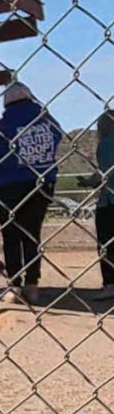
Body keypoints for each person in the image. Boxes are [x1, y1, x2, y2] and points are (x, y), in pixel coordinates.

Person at [0, 81, 63, 304]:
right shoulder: (46, 121)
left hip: (11, 185)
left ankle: (14, 285)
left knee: (11, 234)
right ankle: (32, 283)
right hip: (42, 184)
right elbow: (59, 136)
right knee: (32, 233)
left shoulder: (6, 124)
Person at [95, 106, 114, 302]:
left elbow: (105, 173)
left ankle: (110, 284)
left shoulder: (106, 144)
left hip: (109, 202)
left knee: (106, 243)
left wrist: (91, 181)